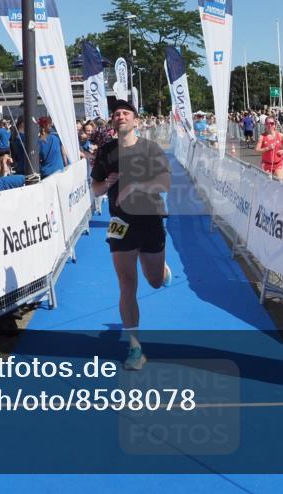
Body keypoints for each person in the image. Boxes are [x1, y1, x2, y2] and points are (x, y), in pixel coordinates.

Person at [90, 100, 172, 371]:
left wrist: (136, 184)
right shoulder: (106, 151)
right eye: (116, 114)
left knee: (154, 281)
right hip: (120, 224)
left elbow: (165, 184)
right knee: (126, 282)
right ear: (112, 122)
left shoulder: (150, 149)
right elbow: (96, 190)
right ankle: (135, 348)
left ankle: (162, 272)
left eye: (126, 113)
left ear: (136, 120)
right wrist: (107, 184)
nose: (120, 116)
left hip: (150, 221)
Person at [255, 116, 283, 181]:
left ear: (275, 125)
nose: (270, 125)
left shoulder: (281, 135)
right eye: (267, 123)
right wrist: (268, 148)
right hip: (266, 165)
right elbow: (256, 150)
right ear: (265, 125)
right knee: (267, 186)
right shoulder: (262, 137)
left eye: (272, 123)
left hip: (279, 164)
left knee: (279, 183)